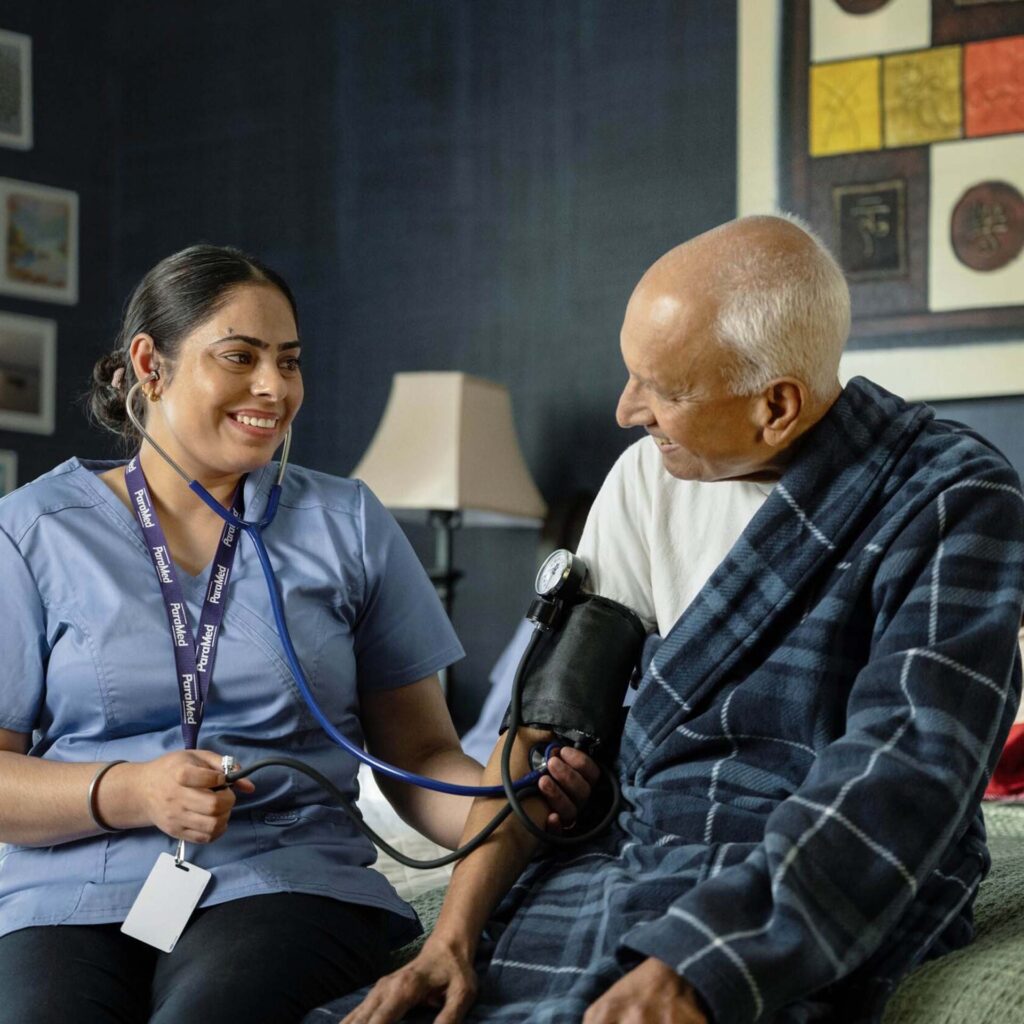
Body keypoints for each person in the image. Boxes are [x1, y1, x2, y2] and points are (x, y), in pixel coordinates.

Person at [331, 215, 1024, 1024]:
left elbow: (907, 773)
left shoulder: (953, 498)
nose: (628, 410)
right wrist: (450, 937)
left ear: (777, 406)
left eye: (663, 389)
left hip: (832, 870)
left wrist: (701, 965)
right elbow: (540, 728)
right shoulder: (643, 480)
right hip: (648, 848)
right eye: (632, 375)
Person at [0, 245, 594, 1024]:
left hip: (283, 878)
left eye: (289, 360)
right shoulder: (30, 532)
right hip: (64, 891)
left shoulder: (348, 524)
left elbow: (419, 758)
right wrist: (133, 791)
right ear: (150, 364)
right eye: (240, 356)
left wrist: (513, 803)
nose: (274, 388)